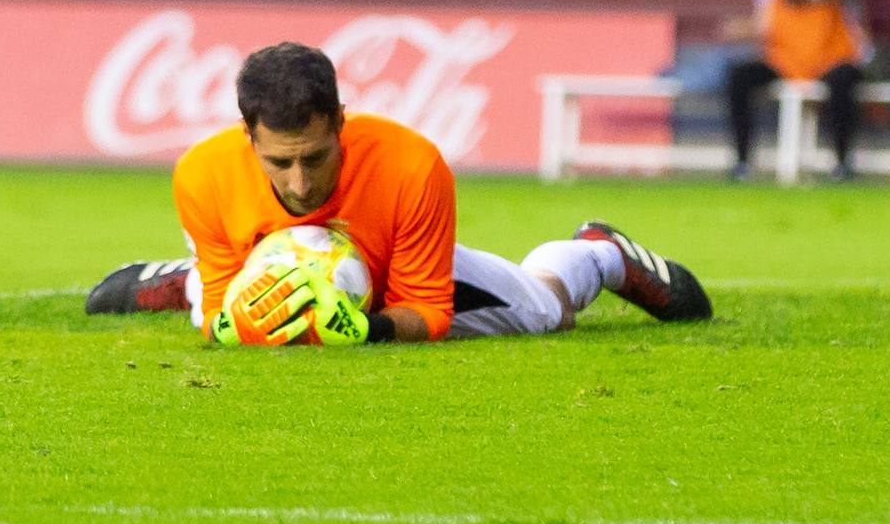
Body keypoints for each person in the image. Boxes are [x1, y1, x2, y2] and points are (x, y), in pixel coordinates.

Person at [84, 43, 713, 344]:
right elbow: (229, 311)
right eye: (280, 163)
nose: (300, 185)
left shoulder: (412, 165)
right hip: (264, 266)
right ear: (247, 136)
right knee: (208, 303)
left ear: (340, 121)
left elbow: (429, 309)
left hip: (395, 276)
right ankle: (183, 278)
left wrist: (368, 330)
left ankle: (595, 256)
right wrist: (232, 319)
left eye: (316, 159)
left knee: (548, 314)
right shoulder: (203, 174)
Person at [722, 0, 871, 181]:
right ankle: (742, 162)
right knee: (738, 76)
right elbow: (764, 23)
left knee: (845, 79)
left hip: (831, 56)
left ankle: (842, 163)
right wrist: (737, 28)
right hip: (785, 56)